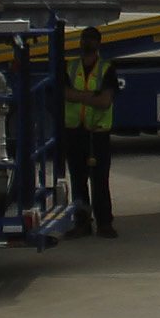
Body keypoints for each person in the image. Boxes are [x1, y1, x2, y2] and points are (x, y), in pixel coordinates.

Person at [62, 26, 119, 238]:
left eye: (91, 39)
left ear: (98, 43)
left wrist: (79, 95)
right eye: (85, 39)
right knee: (78, 180)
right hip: (75, 131)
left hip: (98, 133)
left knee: (100, 180)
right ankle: (82, 223)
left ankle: (105, 223)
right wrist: (91, 96)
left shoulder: (106, 68)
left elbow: (105, 102)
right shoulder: (70, 66)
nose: (87, 43)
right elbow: (66, 94)